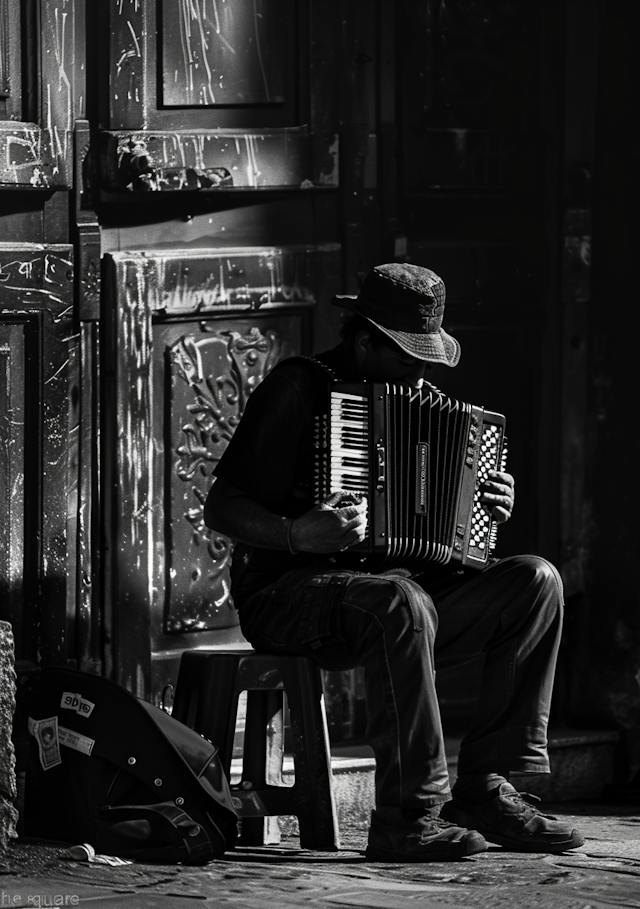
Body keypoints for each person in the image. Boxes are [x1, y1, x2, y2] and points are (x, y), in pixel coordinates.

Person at [204, 263, 585, 862]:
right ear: (363, 341)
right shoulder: (298, 388)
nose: (423, 370)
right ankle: (408, 817)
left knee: (536, 582)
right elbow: (220, 507)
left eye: (427, 356)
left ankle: (484, 789)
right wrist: (299, 533)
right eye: (409, 356)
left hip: (396, 597)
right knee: (399, 601)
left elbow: (453, 536)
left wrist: (482, 505)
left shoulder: (423, 402)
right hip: (287, 593)